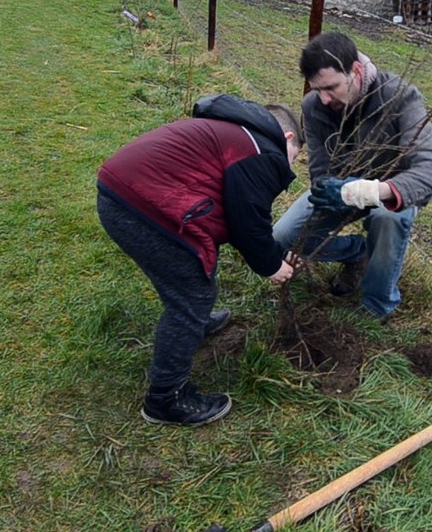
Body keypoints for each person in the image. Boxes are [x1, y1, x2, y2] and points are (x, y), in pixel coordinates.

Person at [96, 94, 301, 427]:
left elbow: (235, 216)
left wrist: (274, 255)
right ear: (288, 138)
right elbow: (249, 222)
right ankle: (166, 399)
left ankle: (193, 323)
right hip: (142, 207)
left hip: (123, 196)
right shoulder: (260, 149)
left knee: (190, 270)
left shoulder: (231, 133)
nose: (291, 164)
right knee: (192, 296)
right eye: (296, 156)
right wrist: (272, 266)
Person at [274, 32, 432, 320]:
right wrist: (329, 188)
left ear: (355, 71)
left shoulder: (399, 97)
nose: (325, 99)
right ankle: (357, 253)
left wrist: (369, 192)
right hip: (341, 190)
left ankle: (377, 306)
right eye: (317, 89)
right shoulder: (314, 107)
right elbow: (320, 172)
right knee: (283, 235)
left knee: (387, 219)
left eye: (331, 87)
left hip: (390, 192)